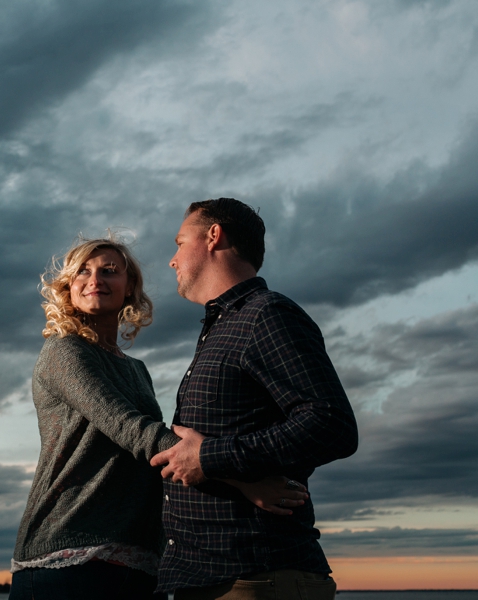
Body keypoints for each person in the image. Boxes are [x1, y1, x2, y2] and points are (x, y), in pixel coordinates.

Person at [9, 235, 310, 600]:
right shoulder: (64, 352)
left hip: (140, 559)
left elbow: (155, 458)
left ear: (130, 287)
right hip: (69, 552)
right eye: (82, 272)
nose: (95, 280)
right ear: (68, 287)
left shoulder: (137, 370)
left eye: (109, 271)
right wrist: (244, 482)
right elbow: (134, 431)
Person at [150, 199, 359, 600]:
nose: (173, 260)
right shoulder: (222, 326)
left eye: (179, 243)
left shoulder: (267, 314)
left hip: (258, 578)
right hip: (211, 581)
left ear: (214, 236)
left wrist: (209, 458)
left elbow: (332, 423)